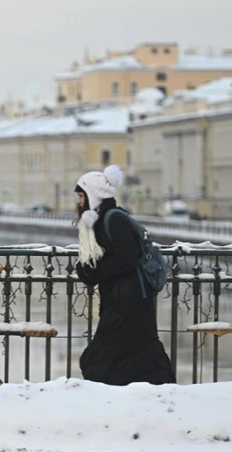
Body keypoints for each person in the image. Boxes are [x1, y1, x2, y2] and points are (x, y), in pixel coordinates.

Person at [73, 165, 175, 386]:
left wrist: (91, 271)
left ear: (93, 196)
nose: (79, 202)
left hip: (129, 300)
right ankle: (156, 389)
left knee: (100, 355)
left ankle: (112, 392)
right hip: (128, 298)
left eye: (82, 196)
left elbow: (126, 258)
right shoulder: (105, 219)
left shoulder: (113, 219)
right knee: (140, 350)